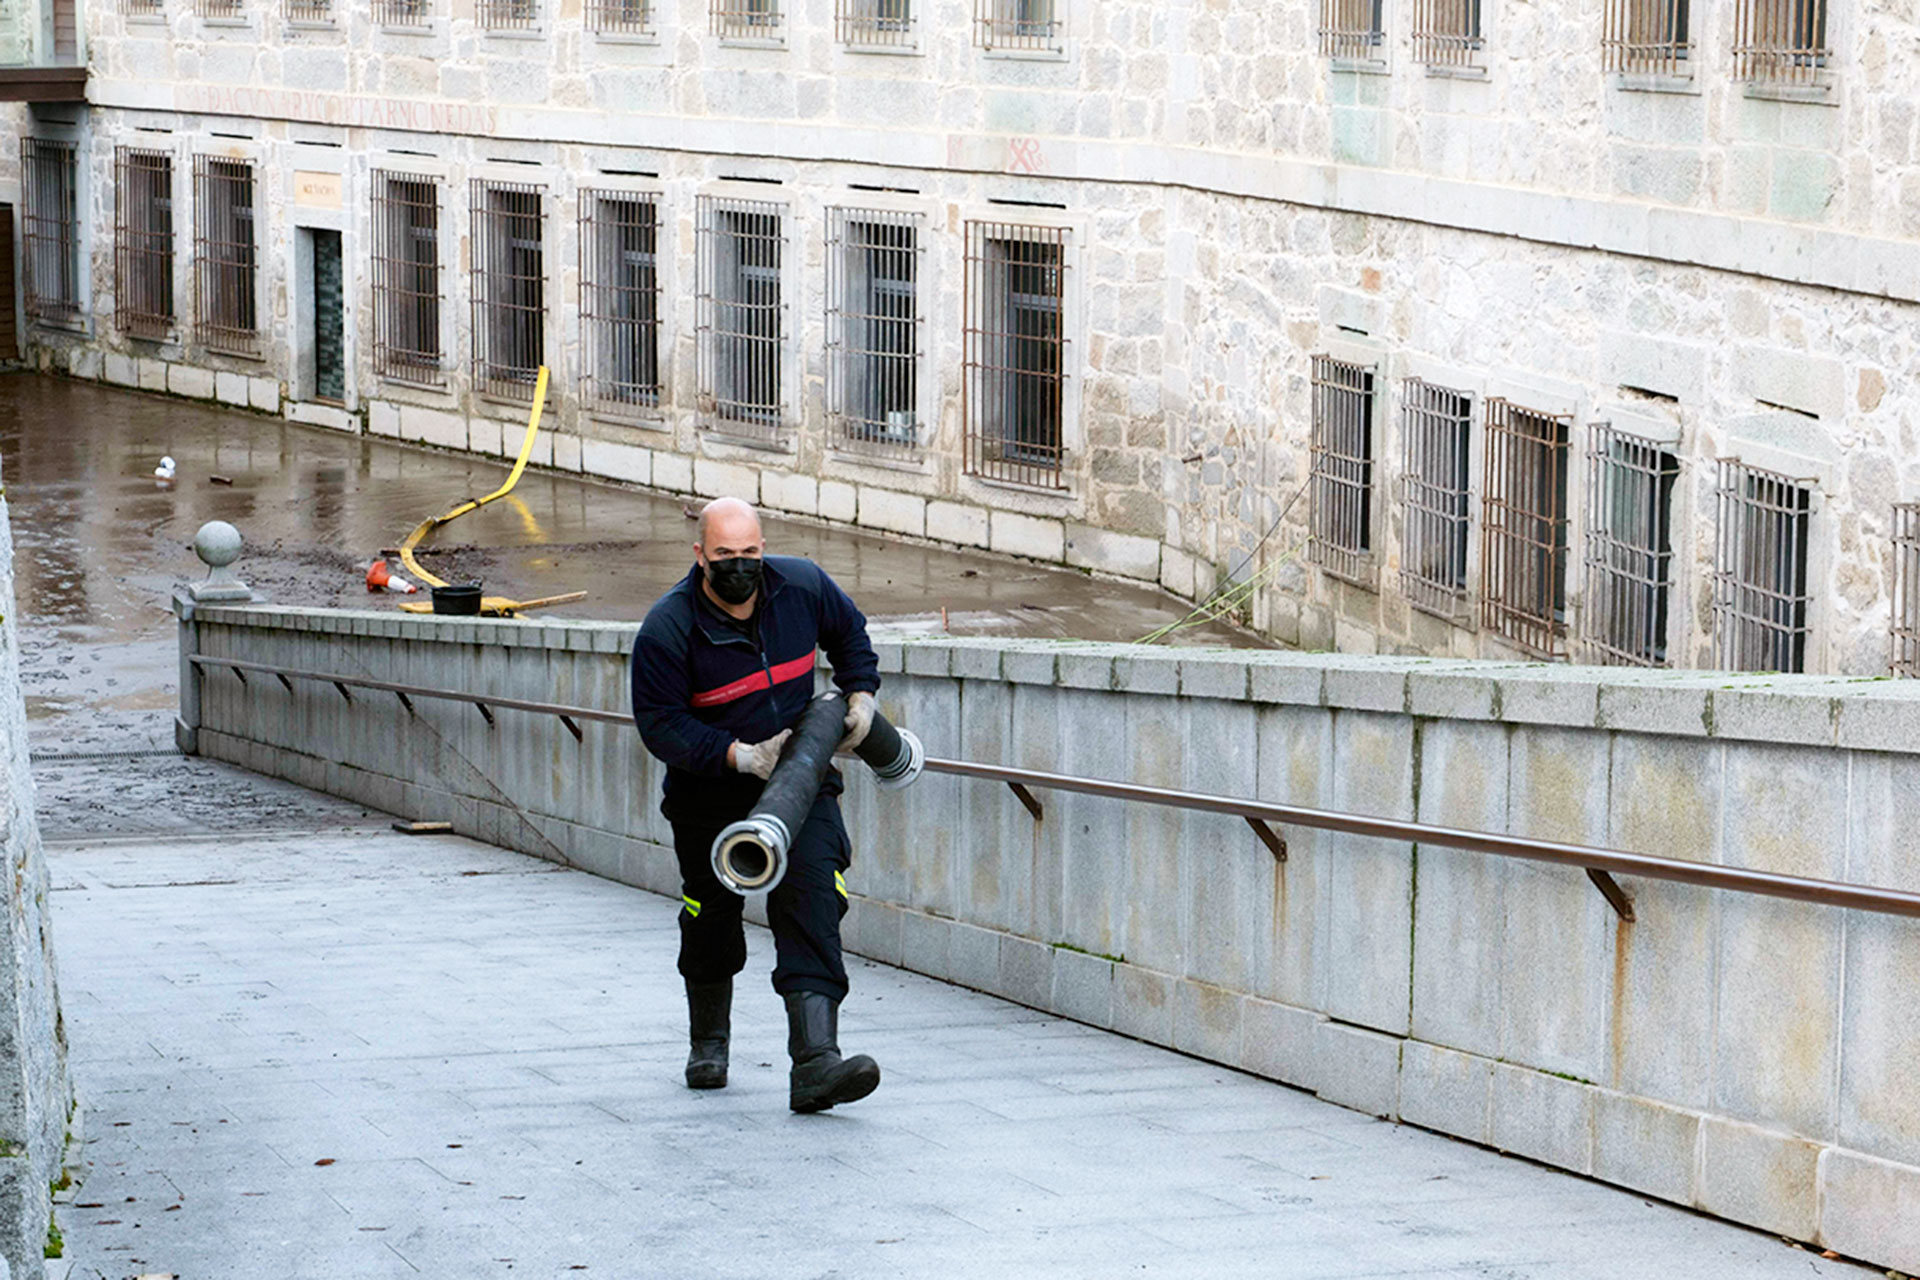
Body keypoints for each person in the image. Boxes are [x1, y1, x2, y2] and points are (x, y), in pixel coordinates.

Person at [628, 496, 884, 1113]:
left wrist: (862, 695)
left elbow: (851, 638)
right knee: (711, 917)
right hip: (709, 797)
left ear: (763, 549)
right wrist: (740, 756)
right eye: (724, 556)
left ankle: (816, 1062)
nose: (738, 567)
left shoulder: (802, 587)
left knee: (814, 901)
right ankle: (709, 1041)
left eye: (749, 554)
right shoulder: (669, 629)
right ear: (700, 555)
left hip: (801, 783)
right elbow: (660, 725)